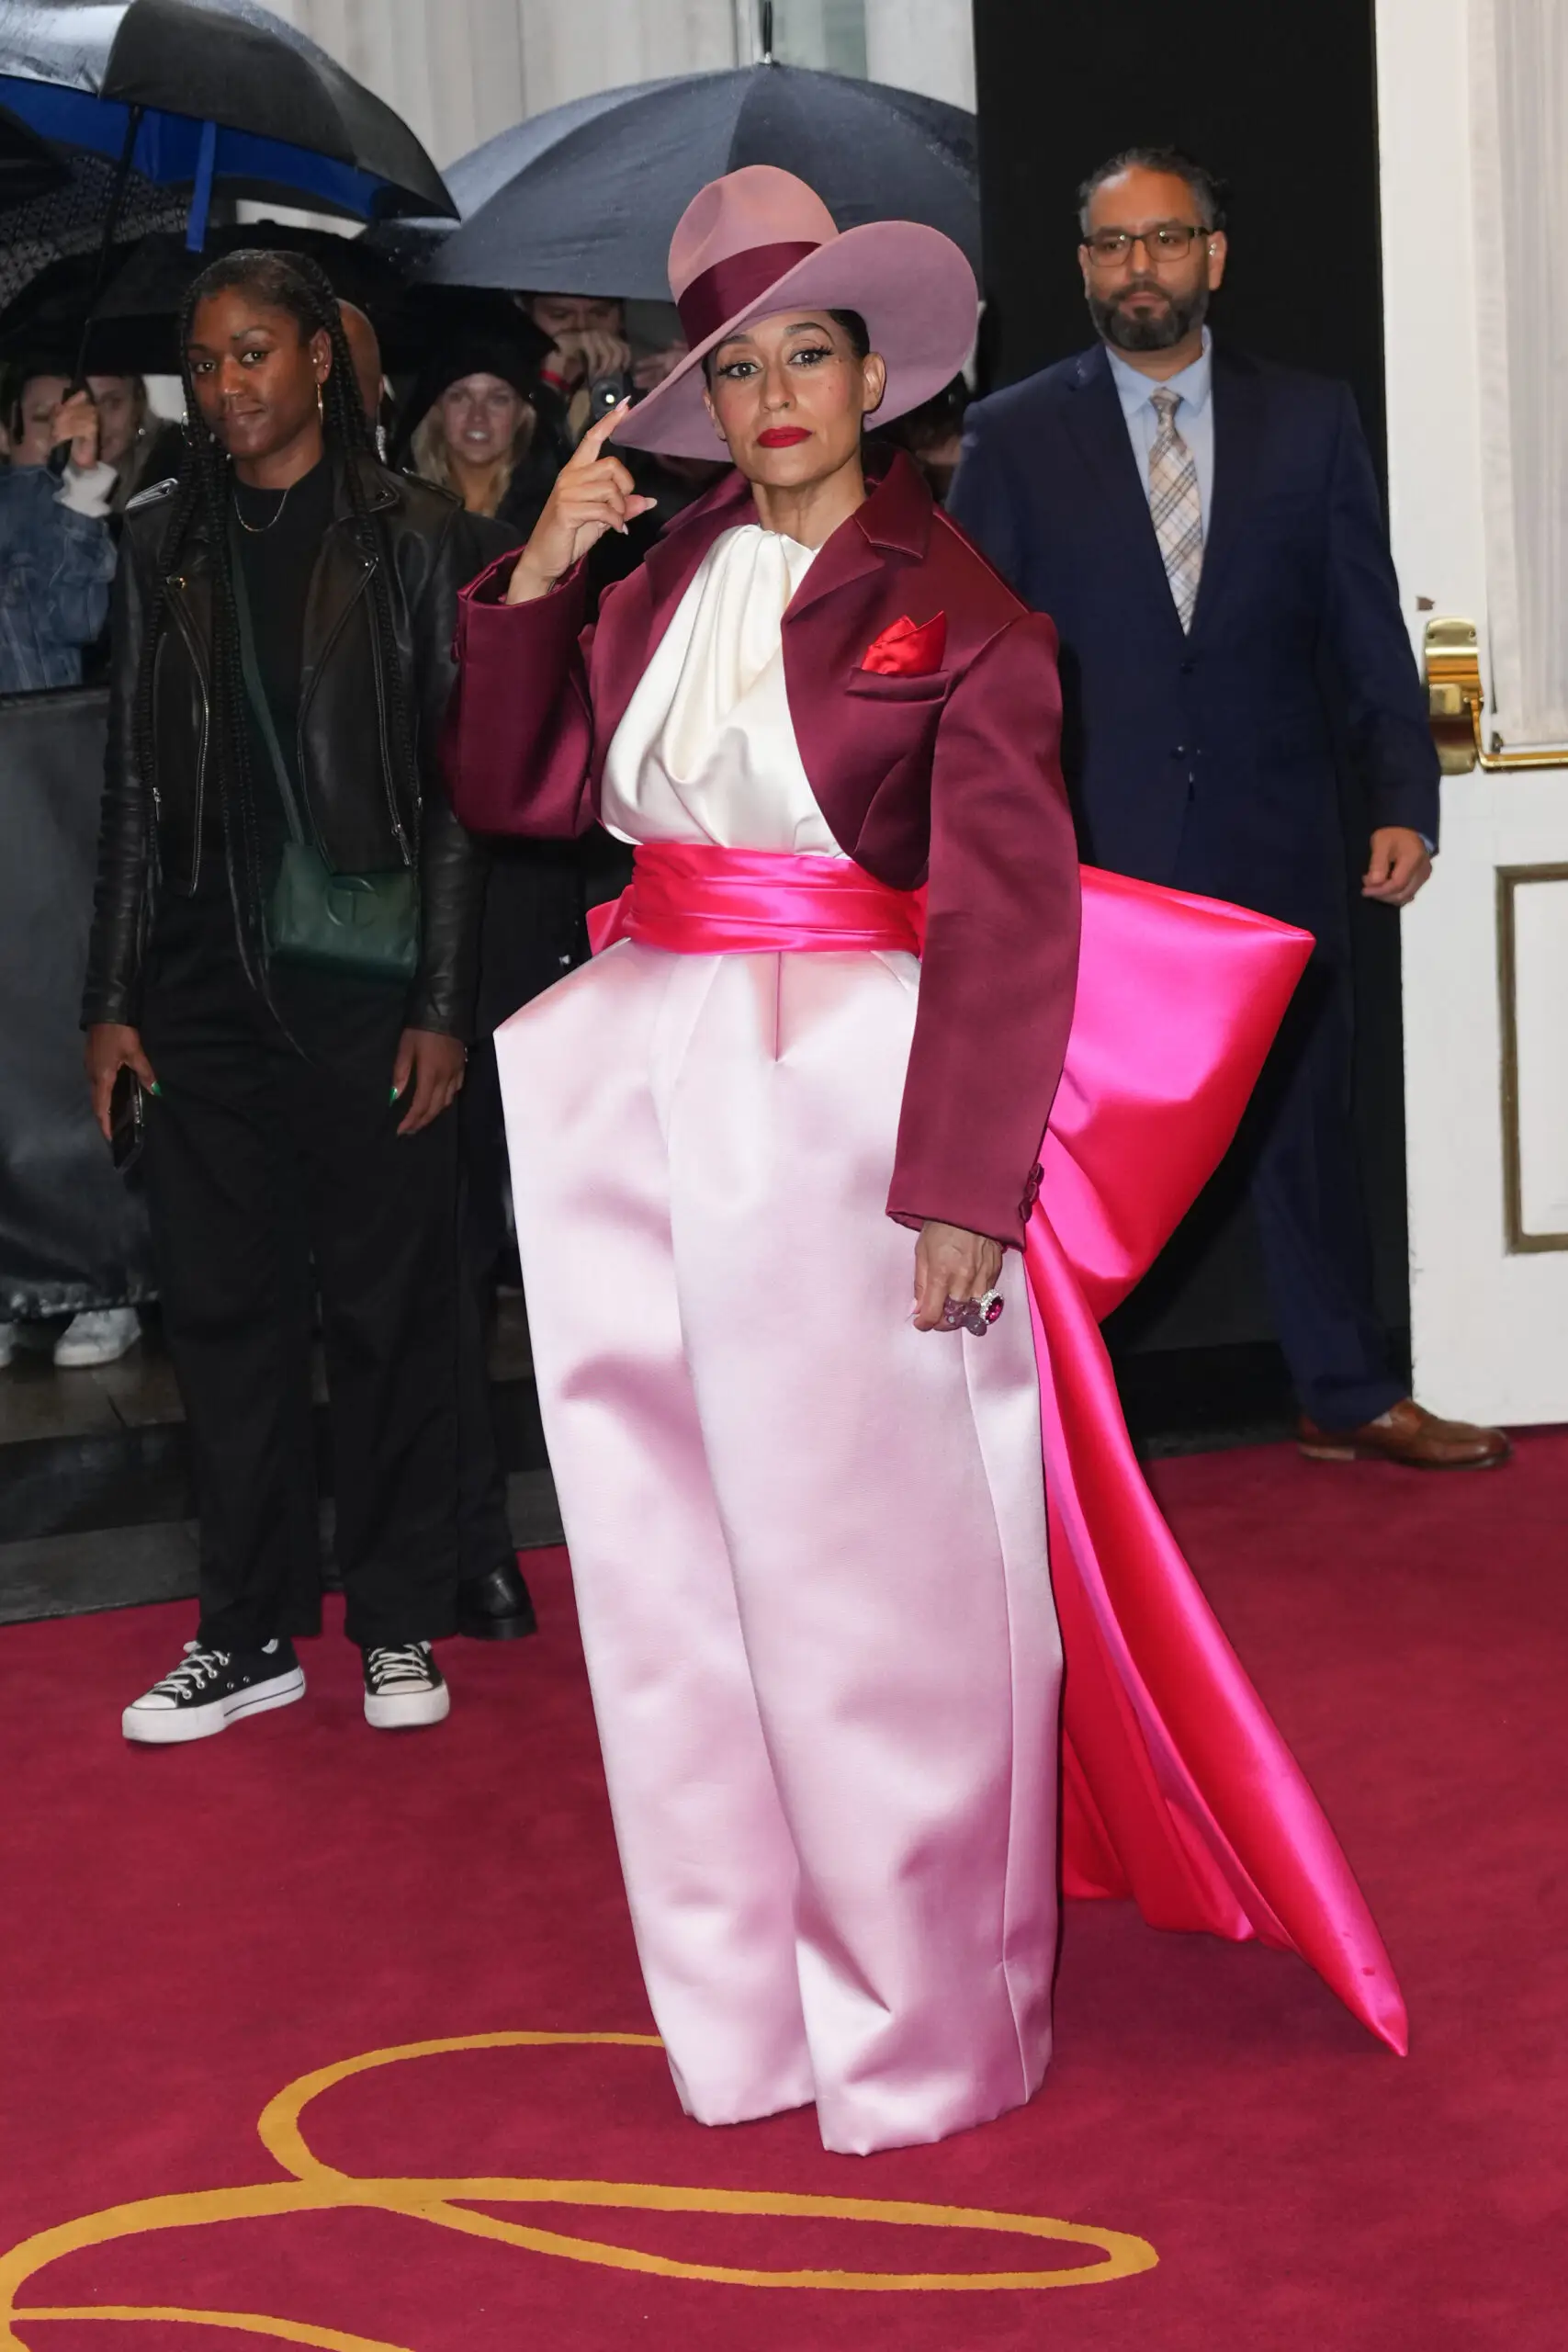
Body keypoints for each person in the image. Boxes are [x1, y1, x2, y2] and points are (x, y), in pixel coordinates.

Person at [446, 166, 1404, 2155]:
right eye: (740, 360)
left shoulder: (959, 611)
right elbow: (520, 789)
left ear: (874, 375)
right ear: (698, 393)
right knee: (668, 1576)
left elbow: (1009, 918)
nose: (781, 388)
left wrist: (968, 1186)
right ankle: (748, 2011)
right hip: (636, 1095)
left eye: (812, 350)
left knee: (875, 1594)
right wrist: (537, 562)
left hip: (851, 1119)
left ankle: (927, 2025)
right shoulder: (654, 575)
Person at [948, 144, 1509, 1473]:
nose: (1137, 266)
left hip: (1278, 835)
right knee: (1078, 1151)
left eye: (1164, 238)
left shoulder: (1311, 419)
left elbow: (1363, 627)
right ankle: (1038, 1420)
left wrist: (1403, 795)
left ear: (1214, 253)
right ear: (1081, 264)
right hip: (1091, 855)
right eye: (1111, 245)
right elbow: (976, 659)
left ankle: (1348, 1391)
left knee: (1305, 1123)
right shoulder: (1012, 434)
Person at [82, 249, 487, 1743]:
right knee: (229, 1323)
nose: (228, 384)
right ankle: (245, 1632)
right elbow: (127, 780)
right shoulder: (156, 541)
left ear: (323, 359)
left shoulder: (417, 538)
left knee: (386, 1319)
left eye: (255, 353)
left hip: (367, 987)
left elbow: (459, 795)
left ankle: (393, 1620)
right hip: (195, 991)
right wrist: (107, 995)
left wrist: (443, 1003)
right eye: (206, 361)